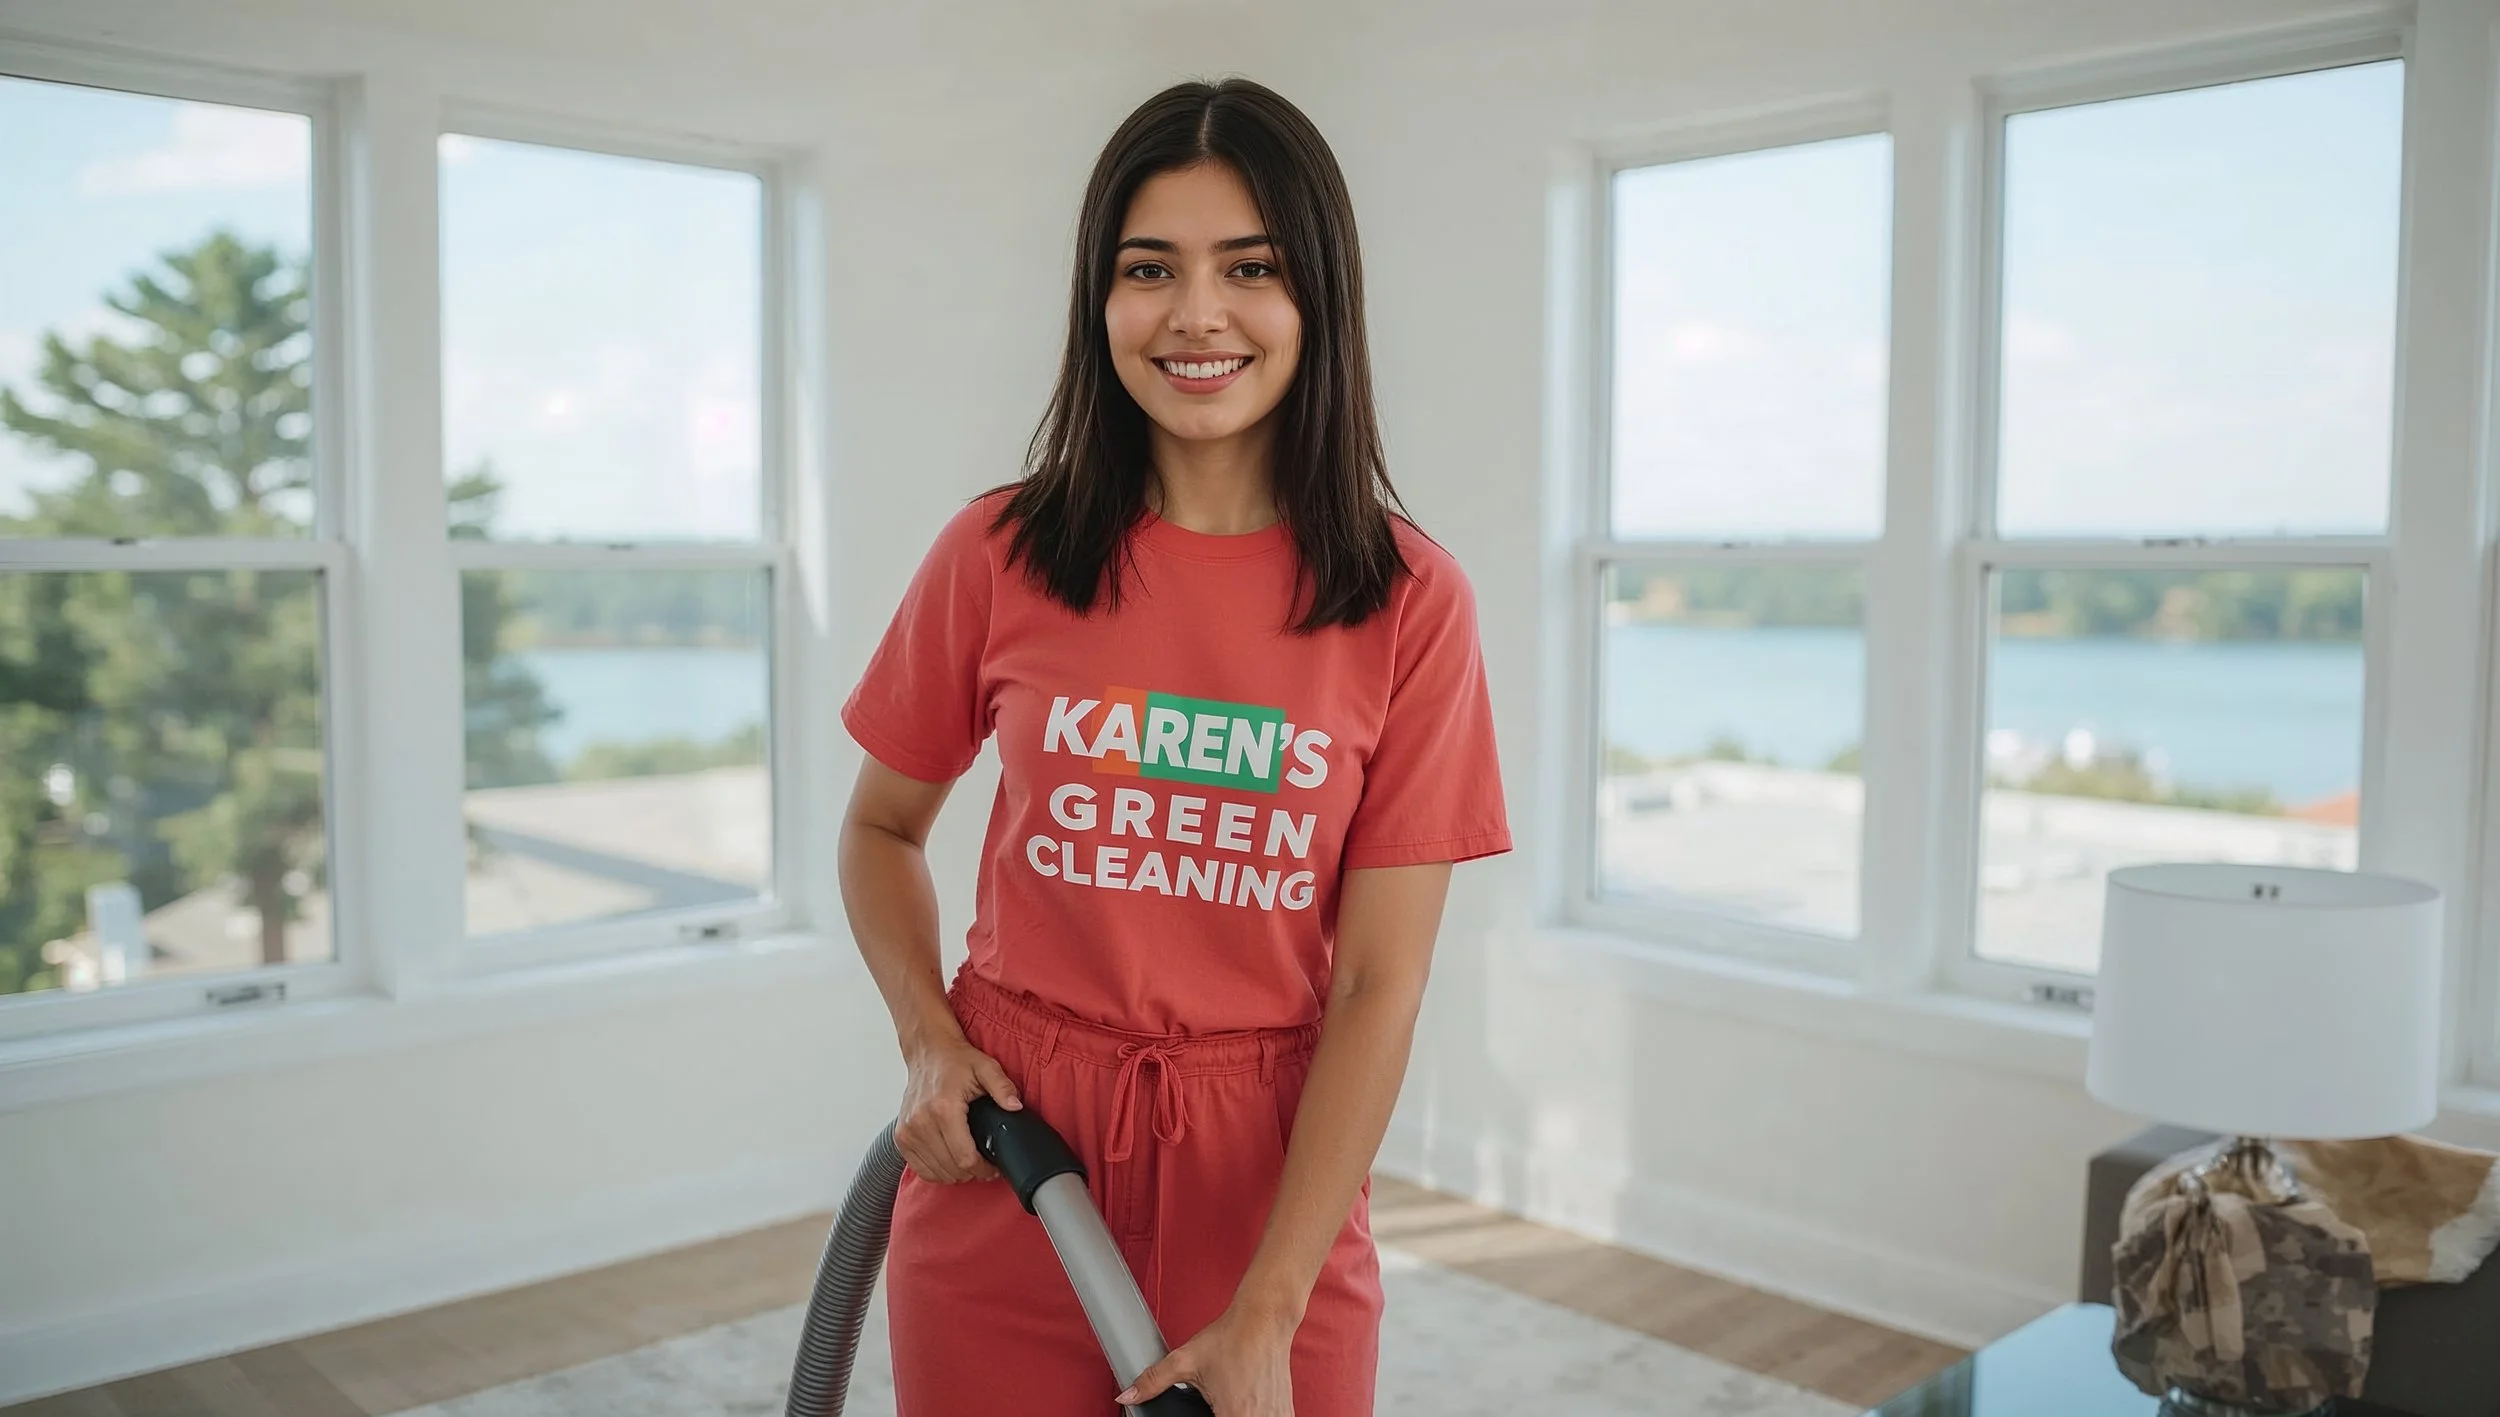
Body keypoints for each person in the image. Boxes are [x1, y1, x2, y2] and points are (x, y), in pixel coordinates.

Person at [838, 75, 1510, 1417]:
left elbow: (1381, 984)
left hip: (1269, 1189)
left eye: (1249, 269)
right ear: (1101, 301)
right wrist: (926, 1037)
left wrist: (1269, 1313)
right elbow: (880, 829)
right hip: (1013, 1160)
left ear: (1317, 297)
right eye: (1152, 269)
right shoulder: (998, 554)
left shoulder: (1410, 601)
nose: (1197, 315)